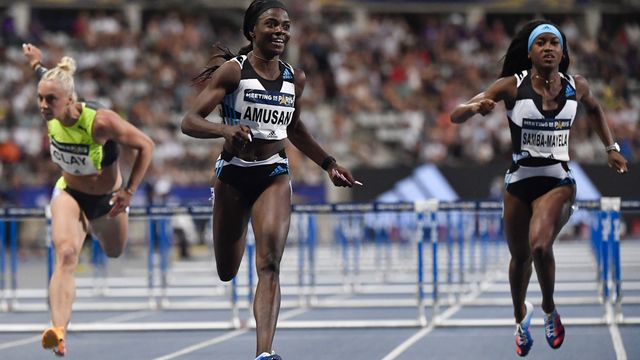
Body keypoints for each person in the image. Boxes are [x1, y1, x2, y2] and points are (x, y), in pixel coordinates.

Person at [181, 1, 358, 359]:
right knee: (227, 271)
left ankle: (265, 353)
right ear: (252, 32)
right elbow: (189, 121)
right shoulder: (234, 73)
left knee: (270, 263)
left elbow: (294, 128)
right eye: (272, 24)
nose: (280, 31)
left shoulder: (296, 78)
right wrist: (224, 129)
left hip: (273, 174)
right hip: (232, 175)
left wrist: (329, 163)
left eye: (286, 25)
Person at [450, 20, 628, 357]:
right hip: (518, 184)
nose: (548, 48)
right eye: (541, 43)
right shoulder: (510, 86)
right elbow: (455, 116)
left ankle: (549, 309)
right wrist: (475, 107)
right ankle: (520, 319)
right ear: (530, 53)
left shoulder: (579, 86)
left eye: (554, 43)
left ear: (563, 52)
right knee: (519, 258)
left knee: (540, 247)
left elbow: (595, 110)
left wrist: (611, 148)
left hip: (558, 182)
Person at [22, 43, 155, 356]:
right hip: (69, 192)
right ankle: (58, 331)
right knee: (66, 254)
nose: (43, 105)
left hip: (108, 201)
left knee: (114, 251)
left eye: (50, 99)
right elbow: (46, 76)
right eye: (40, 98)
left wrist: (128, 191)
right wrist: (35, 63)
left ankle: (93, 228)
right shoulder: (52, 103)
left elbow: (146, 145)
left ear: (71, 99)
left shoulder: (101, 122)